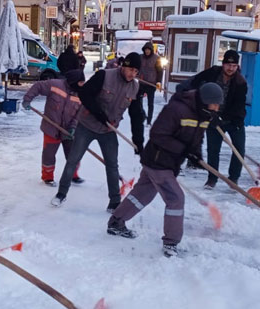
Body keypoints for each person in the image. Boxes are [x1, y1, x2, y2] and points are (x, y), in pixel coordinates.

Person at [107, 82, 223, 256]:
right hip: (158, 160)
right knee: (175, 198)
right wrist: (184, 150)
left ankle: (116, 222)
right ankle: (171, 242)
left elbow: (196, 139)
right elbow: (158, 134)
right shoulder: (177, 109)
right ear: (205, 100)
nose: (217, 107)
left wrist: (196, 156)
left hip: (167, 161)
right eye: (215, 103)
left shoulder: (204, 114)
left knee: (142, 195)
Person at [51, 53, 140, 211]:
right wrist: (99, 114)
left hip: (108, 130)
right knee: (72, 160)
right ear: (123, 66)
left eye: (136, 72)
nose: (132, 74)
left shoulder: (135, 86)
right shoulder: (104, 76)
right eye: (131, 70)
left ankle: (114, 202)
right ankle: (61, 194)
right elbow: (85, 94)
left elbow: (136, 115)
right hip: (87, 125)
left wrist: (138, 141)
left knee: (112, 165)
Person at [182, 49, 248, 189]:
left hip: (234, 120)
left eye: (234, 66)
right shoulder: (212, 73)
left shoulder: (240, 83)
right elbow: (196, 80)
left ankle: (233, 178)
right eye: (228, 65)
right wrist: (184, 88)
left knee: (239, 150)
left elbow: (238, 107)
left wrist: (223, 118)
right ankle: (212, 178)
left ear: (237, 66)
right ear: (223, 64)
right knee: (213, 150)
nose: (231, 68)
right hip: (212, 117)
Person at [22, 69, 86, 186]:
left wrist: (73, 127)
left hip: (68, 129)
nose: (82, 85)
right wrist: (27, 100)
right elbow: (38, 86)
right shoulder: (55, 85)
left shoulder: (81, 94)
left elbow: (79, 115)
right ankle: (48, 177)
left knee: (73, 153)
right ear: (73, 81)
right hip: (51, 127)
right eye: (80, 83)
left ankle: (73, 174)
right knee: (49, 154)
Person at [138, 43, 163, 125]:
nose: (147, 51)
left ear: (151, 50)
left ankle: (149, 120)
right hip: (141, 83)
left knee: (150, 103)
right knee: (138, 101)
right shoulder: (140, 57)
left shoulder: (156, 58)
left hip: (151, 84)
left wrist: (158, 82)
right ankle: (143, 115)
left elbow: (160, 71)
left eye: (148, 50)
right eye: (145, 50)